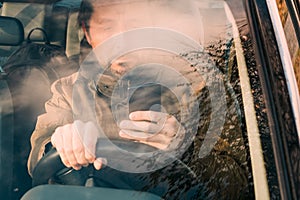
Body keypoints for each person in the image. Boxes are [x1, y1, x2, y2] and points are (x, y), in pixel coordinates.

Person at [28, 0, 249, 199]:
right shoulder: (68, 90)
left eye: (135, 25)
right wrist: (58, 142)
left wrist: (186, 150)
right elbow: (37, 158)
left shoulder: (198, 89)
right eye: (107, 27)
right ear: (88, 33)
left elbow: (237, 186)